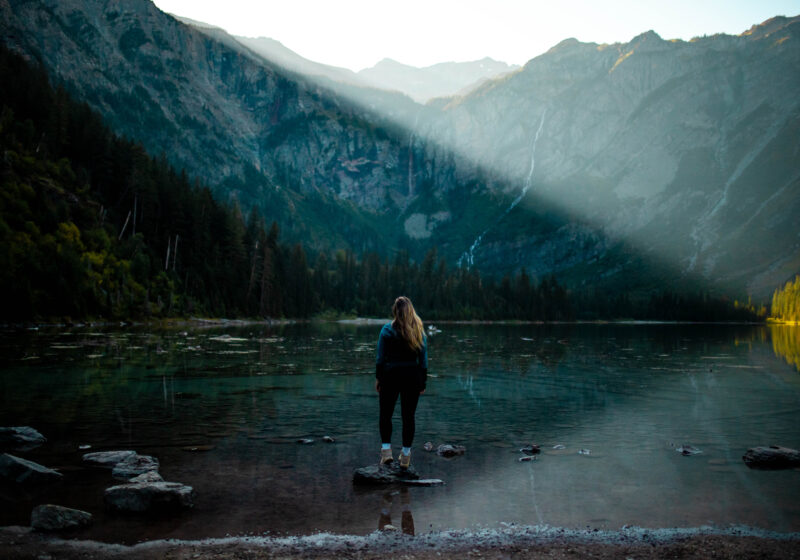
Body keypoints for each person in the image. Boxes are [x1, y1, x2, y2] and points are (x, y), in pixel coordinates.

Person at [375, 296, 427, 469]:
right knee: (408, 417)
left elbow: (380, 358)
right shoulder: (418, 330)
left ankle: (386, 453)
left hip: (390, 376)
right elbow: (423, 360)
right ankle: (405, 457)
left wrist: (379, 378)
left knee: (385, 415)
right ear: (411, 310)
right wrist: (422, 382)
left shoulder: (386, 330)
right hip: (412, 377)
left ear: (395, 311)